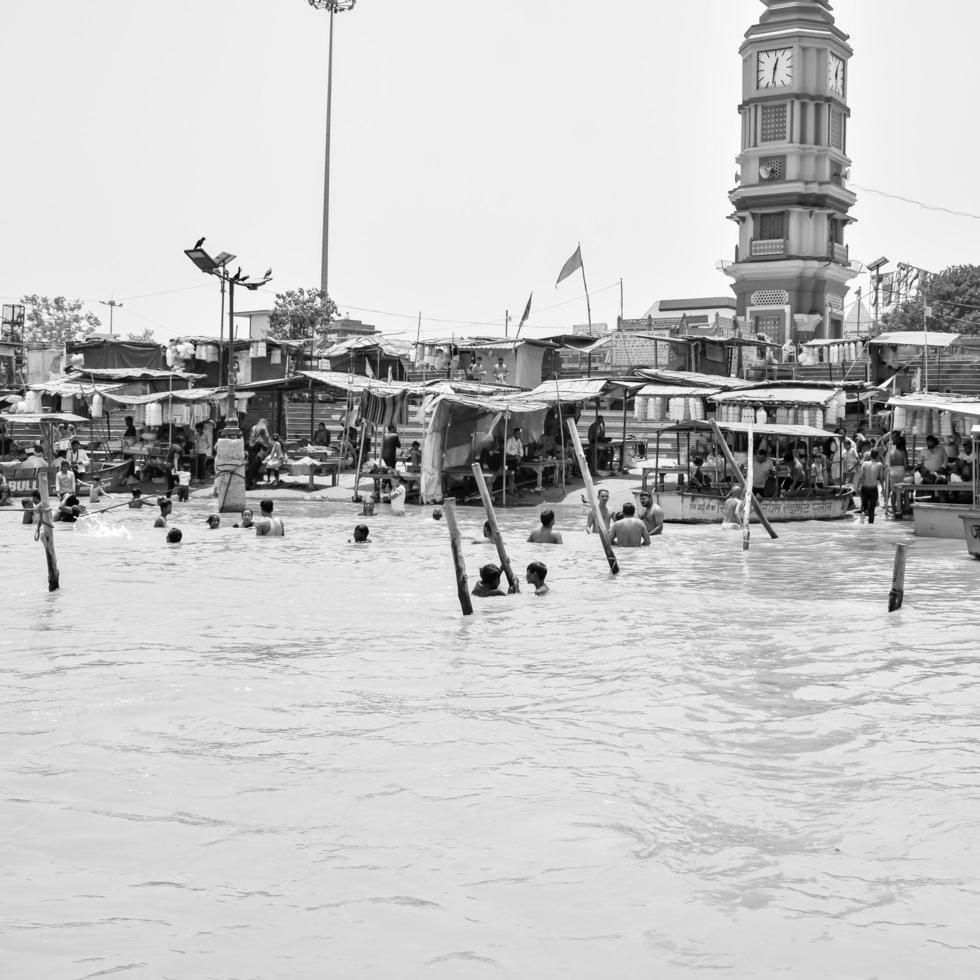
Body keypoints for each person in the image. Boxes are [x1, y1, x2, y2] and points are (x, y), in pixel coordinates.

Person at [856, 448, 885, 524]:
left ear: (870, 455)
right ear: (877, 456)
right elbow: (881, 478)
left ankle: (862, 524)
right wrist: (883, 488)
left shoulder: (864, 464)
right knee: (871, 509)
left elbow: (861, 476)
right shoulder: (880, 465)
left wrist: (857, 488)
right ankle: (870, 526)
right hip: (873, 489)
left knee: (864, 508)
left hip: (865, 488)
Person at [246, 419, 272, 491]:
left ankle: (252, 483)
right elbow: (267, 438)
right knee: (252, 470)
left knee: (252, 469)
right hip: (257, 452)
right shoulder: (263, 428)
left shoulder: (254, 427)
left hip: (256, 452)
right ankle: (252, 483)